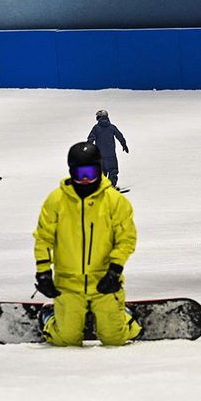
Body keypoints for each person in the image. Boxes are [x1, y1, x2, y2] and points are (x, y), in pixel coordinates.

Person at [32, 141, 142, 346]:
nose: (85, 179)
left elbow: (126, 238)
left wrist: (115, 270)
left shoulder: (114, 201)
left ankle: (125, 315)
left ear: (99, 170)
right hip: (68, 283)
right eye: (80, 173)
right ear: (71, 171)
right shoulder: (56, 200)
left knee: (115, 339)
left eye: (90, 173)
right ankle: (49, 316)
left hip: (104, 281)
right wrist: (43, 272)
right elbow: (43, 238)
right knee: (66, 341)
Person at [87, 109, 129, 189]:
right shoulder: (111, 127)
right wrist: (123, 144)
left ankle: (101, 186)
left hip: (100, 155)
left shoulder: (96, 128)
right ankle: (111, 185)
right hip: (111, 154)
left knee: (102, 171)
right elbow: (119, 135)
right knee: (113, 170)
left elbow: (91, 138)